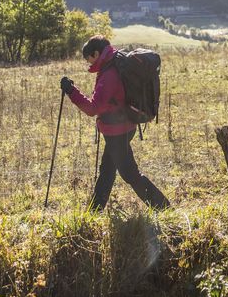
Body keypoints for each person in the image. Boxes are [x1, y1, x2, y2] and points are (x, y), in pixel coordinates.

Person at [60, 36, 171, 210]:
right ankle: (94, 211)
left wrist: (71, 91)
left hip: (117, 131)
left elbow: (92, 108)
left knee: (130, 174)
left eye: (87, 58)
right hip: (123, 126)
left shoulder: (109, 75)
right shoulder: (114, 63)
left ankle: (162, 207)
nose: (87, 63)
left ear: (96, 53)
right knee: (107, 172)